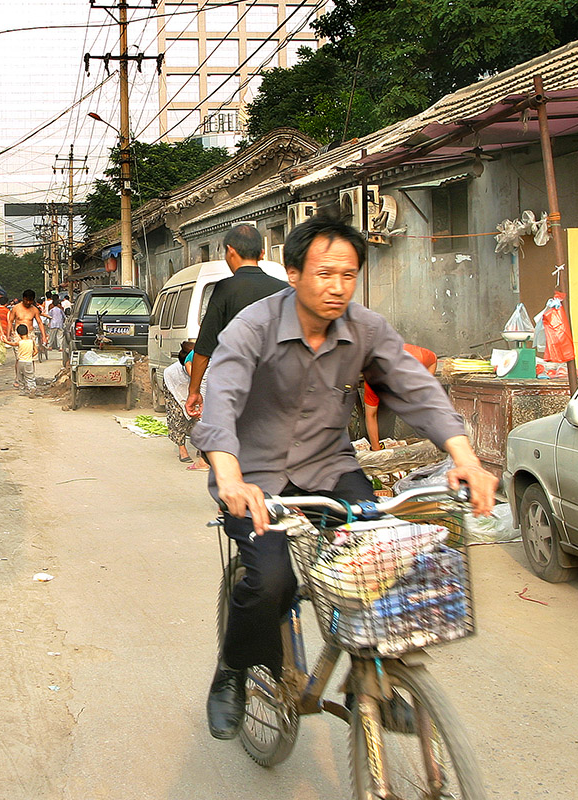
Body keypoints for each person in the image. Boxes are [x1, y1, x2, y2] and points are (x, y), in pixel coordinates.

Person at [189, 211, 497, 741]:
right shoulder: (253, 326)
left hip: (331, 469)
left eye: (347, 275)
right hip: (255, 476)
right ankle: (232, 671)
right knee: (272, 582)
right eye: (324, 274)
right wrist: (229, 472)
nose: (336, 287)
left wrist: (465, 456)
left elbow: (415, 388)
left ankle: (367, 683)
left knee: (386, 560)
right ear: (293, 273)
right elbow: (223, 394)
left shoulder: (365, 329)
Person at [185, 225, 288, 418]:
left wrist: (194, 391)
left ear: (230, 251)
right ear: (262, 253)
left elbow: (204, 348)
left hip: (235, 391)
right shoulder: (284, 290)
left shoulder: (225, 289)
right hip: (278, 391)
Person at [366, 344, 438, 450]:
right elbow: (371, 415)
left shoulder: (417, 357)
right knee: (384, 415)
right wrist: (376, 448)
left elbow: (433, 359)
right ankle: (385, 441)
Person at [163, 342, 207, 468]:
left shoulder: (207, 363)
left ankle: (201, 448)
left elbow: (204, 386)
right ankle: (182, 449)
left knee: (198, 418)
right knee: (177, 415)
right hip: (175, 385)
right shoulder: (183, 367)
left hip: (194, 390)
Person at [14, 324, 37, 393]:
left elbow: (11, 344)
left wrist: (5, 341)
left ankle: (22, 390)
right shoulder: (31, 341)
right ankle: (31, 387)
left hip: (20, 362)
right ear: (27, 332)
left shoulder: (19, 342)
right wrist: (31, 356)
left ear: (18, 334)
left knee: (20, 377)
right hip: (29, 362)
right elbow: (36, 351)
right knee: (30, 376)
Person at [0, 298, 12, 366]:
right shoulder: (7, 311)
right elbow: (9, 321)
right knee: (2, 345)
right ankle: (1, 360)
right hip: (4, 329)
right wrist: (10, 332)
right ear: (6, 303)